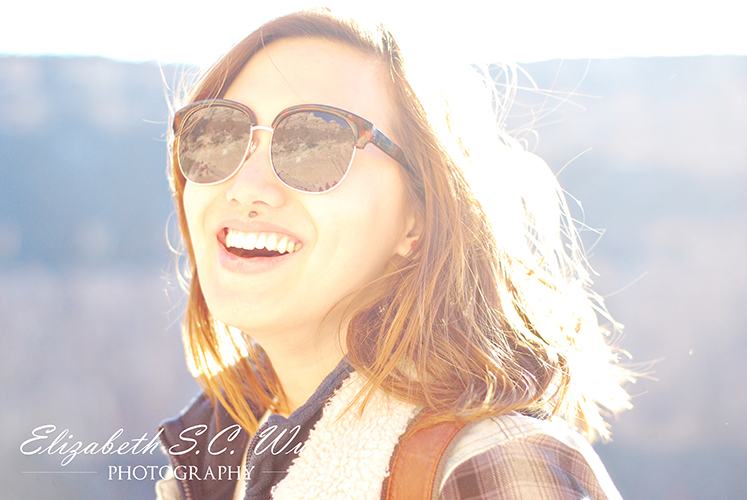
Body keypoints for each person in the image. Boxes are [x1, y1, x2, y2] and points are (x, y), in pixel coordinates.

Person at [156, 8, 633, 500]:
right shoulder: (213, 465)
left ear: (418, 219)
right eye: (218, 136)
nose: (246, 187)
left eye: (316, 143)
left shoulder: (495, 467)